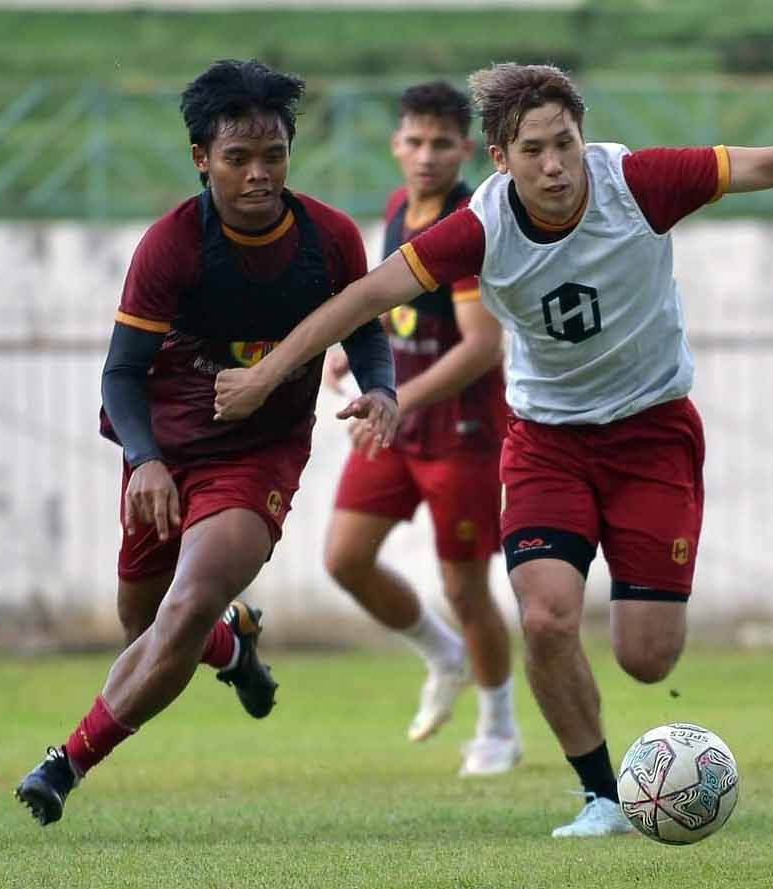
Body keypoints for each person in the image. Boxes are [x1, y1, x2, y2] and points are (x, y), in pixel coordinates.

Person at [210, 62, 773, 838]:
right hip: (547, 442)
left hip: (654, 432)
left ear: (583, 136)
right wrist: (267, 373)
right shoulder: (480, 227)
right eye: (533, 150)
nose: (554, 166)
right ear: (500, 159)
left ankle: (627, 731)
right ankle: (602, 796)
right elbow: (362, 297)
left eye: (566, 143)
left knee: (647, 658)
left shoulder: (640, 184)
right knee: (546, 616)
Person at [14, 59, 400, 827]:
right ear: (201, 158)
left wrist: (381, 389)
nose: (259, 175)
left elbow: (365, 332)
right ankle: (233, 648)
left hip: (258, 456)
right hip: (165, 451)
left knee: (183, 607)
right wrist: (144, 459)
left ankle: (65, 764)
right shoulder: (171, 246)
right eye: (238, 158)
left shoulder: (328, 240)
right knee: (148, 624)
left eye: (275, 156)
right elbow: (121, 374)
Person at [319, 81, 520, 776]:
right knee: (345, 557)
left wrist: (395, 396)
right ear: (396, 146)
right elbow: (396, 301)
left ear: (466, 148)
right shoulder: (399, 207)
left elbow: (479, 344)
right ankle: (443, 652)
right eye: (415, 141)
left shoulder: (468, 222)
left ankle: (498, 726)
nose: (426, 155)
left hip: (460, 428)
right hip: (395, 417)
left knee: (466, 588)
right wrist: (355, 342)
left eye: (442, 143)